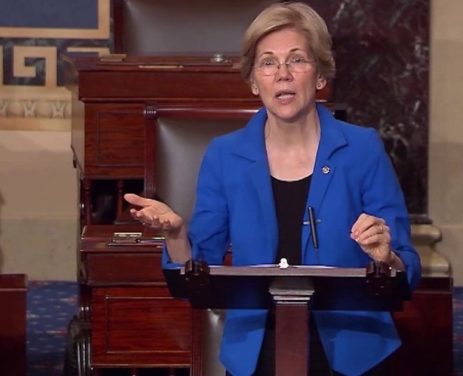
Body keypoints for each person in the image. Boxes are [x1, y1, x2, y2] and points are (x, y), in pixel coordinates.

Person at [124, 2, 421, 375]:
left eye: (297, 60)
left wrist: (385, 257)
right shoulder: (225, 156)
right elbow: (198, 276)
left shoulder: (362, 150)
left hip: (351, 348)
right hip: (258, 347)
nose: (282, 74)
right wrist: (177, 235)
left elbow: (407, 269)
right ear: (253, 80)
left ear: (319, 76)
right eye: (268, 63)